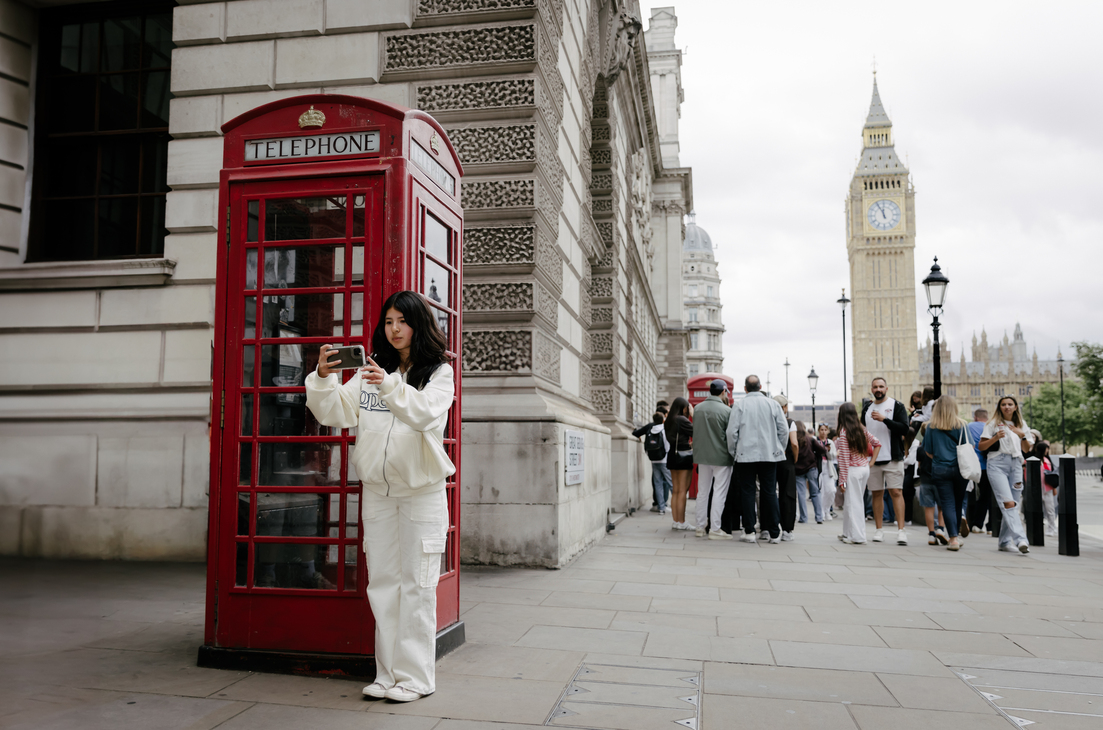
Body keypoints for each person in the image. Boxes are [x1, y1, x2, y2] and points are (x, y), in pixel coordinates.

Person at [305, 291, 455, 703]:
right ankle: (387, 675)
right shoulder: (372, 370)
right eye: (388, 321)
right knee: (383, 584)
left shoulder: (438, 373)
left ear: (418, 324)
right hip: (379, 493)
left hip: (421, 494)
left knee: (417, 585)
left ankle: (416, 678)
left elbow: (424, 413)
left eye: (402, 321)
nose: (394, 329)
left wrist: (388, 385)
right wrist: (322, 378)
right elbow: (334, 412)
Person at [726, 375, 788, 544]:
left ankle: (750, 531)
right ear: (760, 386)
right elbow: (784, 430)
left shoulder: (739, 405)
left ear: (745, 389)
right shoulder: (773, 404)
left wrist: (734, 452)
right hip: (769, 455)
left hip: (745, 455)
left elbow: (732, 433)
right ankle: (774, 532)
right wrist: (779, 449)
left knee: (748, 492)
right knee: (769, 492)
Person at [979, 395, 1034, 553]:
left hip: (1016, 464)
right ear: (999, 407)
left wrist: (1021, 434)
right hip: (997, 464)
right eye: (1003, 404)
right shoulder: (992, 424)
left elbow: (1026, 449)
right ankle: (1021, 539)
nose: (1007, 407)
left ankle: (1004, 542)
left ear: (1016, 407)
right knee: (1008, 503)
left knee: (1012, 505)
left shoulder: (1021, 424)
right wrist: (995, 437)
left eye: (1010, 404)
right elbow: (981, 446)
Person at [860, 377, 911, 545]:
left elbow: (905, 428)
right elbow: (862, 431)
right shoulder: (866, 408)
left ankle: (901, 531)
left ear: (887, 388)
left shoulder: (897, 406)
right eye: (875, 386)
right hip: (872, 459)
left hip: (892, 456)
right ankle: (879, 530)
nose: (878, 389)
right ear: (872, 389)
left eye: (881, 386)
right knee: (876, 493)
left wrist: (885, 420)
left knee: (896, 492)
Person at [921, 395, 969, 552]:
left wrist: (940, 457)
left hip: (940, 469)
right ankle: (955, 536)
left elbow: (928, 451)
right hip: (960, 469)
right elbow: (969, 447)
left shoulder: (930, 427)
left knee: (947, 502)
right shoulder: (962, 425)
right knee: (957, 502)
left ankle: (953, 538)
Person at [693, 380, 735, 539]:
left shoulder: (697, 408)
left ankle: (699, 526)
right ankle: (715, 528)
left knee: (702, 492)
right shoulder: (726, 411)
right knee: (719, 492)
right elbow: (730, 435)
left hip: (702, 456)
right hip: (722, 457)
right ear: (724, 391)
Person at [836, 402, 881, 544]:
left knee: (853, 503)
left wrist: (841, 480)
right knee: (855, 502)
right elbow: (877, 442)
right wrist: (871, 462)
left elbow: (844, 459)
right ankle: (848, 533)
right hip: (864, 468)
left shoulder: (844, 432)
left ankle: (857, 537)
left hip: (852, 470)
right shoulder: (861, 429)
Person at [665, 397, 696, 531]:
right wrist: (694, 416)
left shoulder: (669, 420)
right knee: (683, 490)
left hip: (672, 454)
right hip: (683, 456)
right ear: (684, 408)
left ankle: (676, 521)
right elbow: (697, 431)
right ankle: (682, 522)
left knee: (676, 491)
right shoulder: (682, 419)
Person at [772, 394, 800, 541]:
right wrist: (795, 458)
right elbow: (794, 443)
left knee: (769, 493)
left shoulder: (768, 422)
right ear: (784, 408)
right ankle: (787, 530)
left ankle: (768, 528)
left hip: (770, 459)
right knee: (787, 494)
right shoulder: (790, 423)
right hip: (786, 460)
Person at [633, 412, 671, 515]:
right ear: (663, 419)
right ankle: (677, 505)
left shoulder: (651, 428)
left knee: (657, 483)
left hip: (654, 460)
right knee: (671, 483)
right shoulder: (663, 429)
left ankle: (661, 508)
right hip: (664, 459)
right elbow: (667, 445)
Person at [965, 409, 993, 535]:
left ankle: (971, 523)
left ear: (975, 417)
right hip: (987, 466)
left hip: (970, 465)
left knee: (969, 494)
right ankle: (988, 526)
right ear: (986, 418)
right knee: (986, 496)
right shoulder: (990, 427)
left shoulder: (968, 426)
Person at [794, 421, 827, 524]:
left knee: (801, 494)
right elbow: (823, 450)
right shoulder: (810, 440)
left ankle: (803, 518)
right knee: (815, 492)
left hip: (798, 470)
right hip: (811, 468)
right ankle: (819, 517)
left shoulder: (794, 441)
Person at [901, 390, 924, 524]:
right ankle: (906, 518)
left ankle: (907, 518)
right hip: (910, 469)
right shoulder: (909, 443)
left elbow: (910, 460)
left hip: (911, 470)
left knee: (907, 493)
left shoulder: (915, 441)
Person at [1035, 441, 1058, 536]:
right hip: (1038, 488)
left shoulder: (1047, 460)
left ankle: (1052, 527)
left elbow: (1051, 475)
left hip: (1047, 488)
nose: (1047, 450)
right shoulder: (1034, 460)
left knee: (1050, 509)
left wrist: (1054, 487)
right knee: (1039, 509)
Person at [816, 423, 838, 520]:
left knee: (831, 490)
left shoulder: (830, 442)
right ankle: (822, 512)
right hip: (818, 467)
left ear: (828, 431)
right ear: (818, 431)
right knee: (821, 491)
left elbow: (833, 456)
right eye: (821, 429)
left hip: (828, 466)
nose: (823, 432)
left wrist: (828, 451)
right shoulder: (815, 440)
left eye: (825, 430)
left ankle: (827, 509)